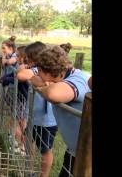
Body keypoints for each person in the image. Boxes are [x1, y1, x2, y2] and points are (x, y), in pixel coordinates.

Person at [33, 45, 91, 176]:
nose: (37, 73)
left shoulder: (78, 79)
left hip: (86, 156)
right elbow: (32, 78)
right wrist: (45, 84)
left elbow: (54, 95)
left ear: (47, 72)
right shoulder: (62, 77)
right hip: (75, 150)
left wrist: (44, 88)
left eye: (39, 70)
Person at [16, 41, 58, 177]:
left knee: (45, 150)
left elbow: (22, 74)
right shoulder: (37, 71)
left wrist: (37, 79)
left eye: (28, 57)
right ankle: (29, 169)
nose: (26, 59)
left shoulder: (47, 71)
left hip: (47, 120)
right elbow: (21, 74)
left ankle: (43, 175)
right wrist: (41, 82)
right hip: (34, 117)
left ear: (35, 57)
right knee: (29, 142)